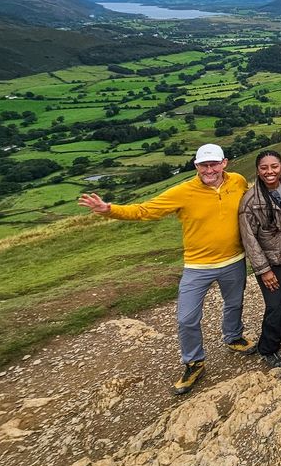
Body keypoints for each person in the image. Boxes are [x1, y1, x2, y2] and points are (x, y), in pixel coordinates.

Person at [77, 144, 251, 395]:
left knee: (234, 304)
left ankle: (233, 337)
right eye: (204, 165)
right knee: (186, 318)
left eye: (214, 164)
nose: (209, 169)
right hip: (197, 265)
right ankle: (194, 362)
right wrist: (109, 210)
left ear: (224, 163)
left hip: (234, 260)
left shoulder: (238, 181)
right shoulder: (183, 191)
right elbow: (145, 210)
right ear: (196, 166)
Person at [238, 150, 281, 369]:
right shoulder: (250, 201)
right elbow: (249, 239)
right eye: (264, 168)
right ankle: (268, 347)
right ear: (258, 170)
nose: (270, 172)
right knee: (275, 305)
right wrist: (263, 270)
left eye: (274, 166)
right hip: (269, 261)